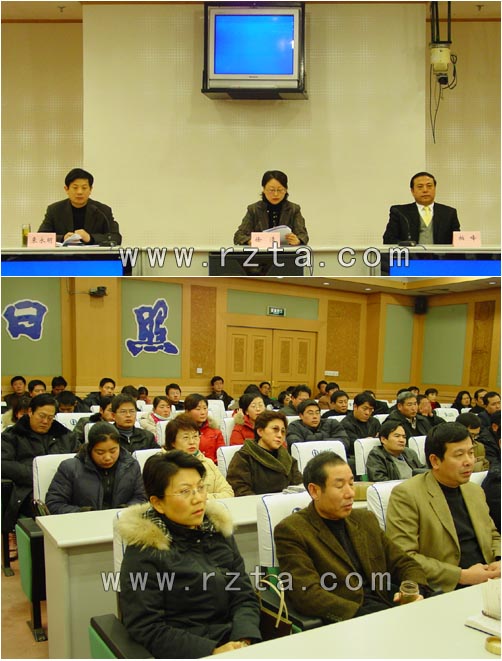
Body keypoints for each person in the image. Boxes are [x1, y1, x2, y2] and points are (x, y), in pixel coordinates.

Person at [118, 451, 261, 657]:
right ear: (158, 503)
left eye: (201, 488)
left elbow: (243, 595)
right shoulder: (145, 551)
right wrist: (213, 651)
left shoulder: (218, 532)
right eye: (185, 492)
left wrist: (243, 639)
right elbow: (147, 628)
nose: (198, 499)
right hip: (187, 651)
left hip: (235, 642)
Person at [274, 452, 429, 622]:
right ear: (314, 491)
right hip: (348, 618)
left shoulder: (365, 519)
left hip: (387, 604)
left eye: (351, 483)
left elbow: (404, 562)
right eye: (340, 486)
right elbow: (307, 594)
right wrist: (362, 616)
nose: (350, 493)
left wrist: (414, 591)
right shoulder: (292, 530)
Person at [386, 422, 501, 592]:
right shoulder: (407, 495)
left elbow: (492, 533)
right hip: (446, 588)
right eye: (459, 455)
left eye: (471, 453)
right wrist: (461, 576)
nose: (469, 461)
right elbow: (404, 557)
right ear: (435, 461)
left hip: (490, 580)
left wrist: (499, 559)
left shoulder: (475, 490)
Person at [1, 393, 78, 530]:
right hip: (28, 489)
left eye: (50, 418)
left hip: (65, 487)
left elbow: (79, 460)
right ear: (30, 412)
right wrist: (37, 476)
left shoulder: (66, 435)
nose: (45, 421)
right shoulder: (12, 435)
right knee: (46, 507)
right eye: (42, 416)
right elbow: (4, 464)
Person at [45, 422, 146, 514]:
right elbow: (54, 504)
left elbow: (141, 498)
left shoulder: (131, 465)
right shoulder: (70, 468)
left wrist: (125, 510)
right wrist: (83, 512)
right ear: (90, 449)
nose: (107, 457)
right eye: (100, 452)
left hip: (122, 521)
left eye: (113, 451)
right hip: (81, 523)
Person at [38, 167, 122, 245]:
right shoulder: (55, 210)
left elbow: (116, 238)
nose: (79, 192)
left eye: (84, 188)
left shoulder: (102, 210)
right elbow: (40, 238)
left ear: (90, 189)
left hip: (93, 255)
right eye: (75, 188)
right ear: (66, 189)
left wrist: (90, 238)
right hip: (63, 255)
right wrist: (63, 238)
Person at [226, 411, 303, 496]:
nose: (280, 435)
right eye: (275, 429)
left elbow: (299, 487)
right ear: (260, 431)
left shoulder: (288, 459)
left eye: (283, 431)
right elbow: (240, 491)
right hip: (256, 503)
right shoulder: (243, 458)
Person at [164, 415, 233, 499]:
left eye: (195, 436)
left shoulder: (207, 463)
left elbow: (228, 493)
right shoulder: (164, 466)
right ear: (172, 442)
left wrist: (203, 498)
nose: (192, 442)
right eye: (186, 437)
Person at [233, 170, 309, 246]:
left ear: (286, 190)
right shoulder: (254, 209)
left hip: (285, 252)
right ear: (264, 189)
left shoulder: (293, 209)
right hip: (260, 252)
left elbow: (303, 235)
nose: (276, 194)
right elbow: (239, 236)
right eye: (271, 190)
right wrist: (250, 241)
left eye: (280, 190)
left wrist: (298, 240)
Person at [383, 171, 460, 245]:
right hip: (411, 254)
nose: (425, 190)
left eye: (429, 186)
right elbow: (388, 239)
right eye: (420, 187)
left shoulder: (449, 213)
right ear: (412, 191)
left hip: (441, 254)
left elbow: (458, 241)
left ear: (435, 188)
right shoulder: (400, 212)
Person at [184, 394, 225, 463]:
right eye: (198, 409)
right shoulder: (180, 431)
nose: (203, 412)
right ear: (187, 412)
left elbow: (221, 456)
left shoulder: (215, 432)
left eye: (205, 408)